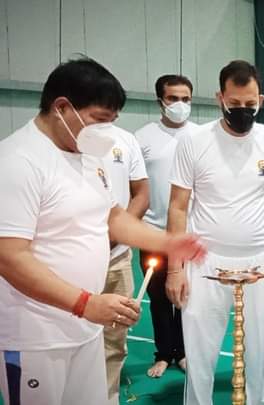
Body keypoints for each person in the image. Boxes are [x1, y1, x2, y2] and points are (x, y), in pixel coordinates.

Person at [0, 57, 206, 405]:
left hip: (84, 329)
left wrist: (169, 241)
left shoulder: (86, 155)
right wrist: (85, 303)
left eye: (112, 122)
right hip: (36, 336)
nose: (106, 133)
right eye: (98, 120)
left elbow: (113, 216)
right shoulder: (18, 161)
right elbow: (9, 256)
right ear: (62, 107)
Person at [166, 60, 264, 405]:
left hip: (260, 261)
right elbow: (178, 206)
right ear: (220, 98)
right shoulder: (194, 142)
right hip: (204, 260)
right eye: (235, 104)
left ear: (261, 102)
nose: (243, 111)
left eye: (250, 105)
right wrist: (175, 269)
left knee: (258, 351)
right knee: (199, 352)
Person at [135, 74, 199, 378]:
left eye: (186, 99)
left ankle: (185, 351)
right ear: (160, 100)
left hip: (191, 234)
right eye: (173, 98)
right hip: (153, 232)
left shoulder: (202, 136)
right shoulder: (143, 138)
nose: (180, 104)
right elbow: (135, 188)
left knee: (189, 295)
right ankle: (164, 353)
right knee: (159, 297)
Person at [101, 124, 149, 404]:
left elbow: (141, 194)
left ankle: (108, 397)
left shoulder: (126, 139)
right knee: (74, 338)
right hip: (72, 262)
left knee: (114, 339)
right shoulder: (55, 145)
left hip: (117, 257)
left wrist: (117, 233)